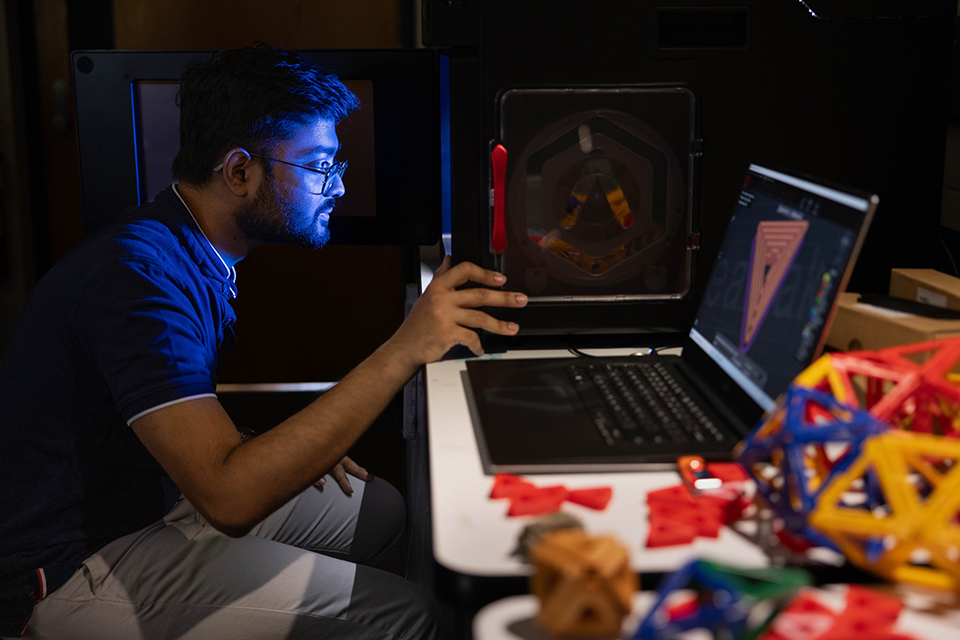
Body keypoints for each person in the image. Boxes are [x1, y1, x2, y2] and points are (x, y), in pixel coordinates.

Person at [0, 44, 527, 639]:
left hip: (148, 496)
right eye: (321, 166)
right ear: (240, 172)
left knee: (377, 511)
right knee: (409, 615)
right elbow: (228, 498)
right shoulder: (137, 279)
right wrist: (407, 345)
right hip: (72, 564)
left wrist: (286, 446)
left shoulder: (190, 248)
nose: (339, 189)